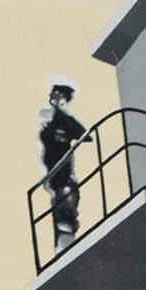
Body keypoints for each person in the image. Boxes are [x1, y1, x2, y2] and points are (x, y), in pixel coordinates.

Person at [38, 74, 88, 254]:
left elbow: (85, 135)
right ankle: (63, 246)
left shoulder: (65, 121)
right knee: (61, 207)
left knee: (66, 204)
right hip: (54, 176)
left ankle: (66, 245)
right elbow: (44, 136)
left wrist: (64, 114)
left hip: (65, 177)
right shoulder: (48, 118)